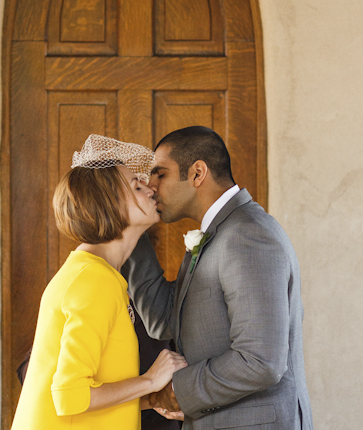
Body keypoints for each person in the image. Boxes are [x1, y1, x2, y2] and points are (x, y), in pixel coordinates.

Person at [123, 126, 314, 430]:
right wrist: (129, 228)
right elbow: (163, 321)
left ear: (198, 173)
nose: (152, 186)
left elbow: (260, 361)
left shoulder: (247, 235)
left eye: (161, 174)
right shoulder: (219, 233)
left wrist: (178, 392)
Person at [11, 134, 187, 430]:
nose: (150, 190)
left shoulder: (93, 273)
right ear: (111, 203)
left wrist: (150, 397)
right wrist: (149, 380)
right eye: (136, 186)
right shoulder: (94, 280)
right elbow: (70, 396)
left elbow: (87, 392)